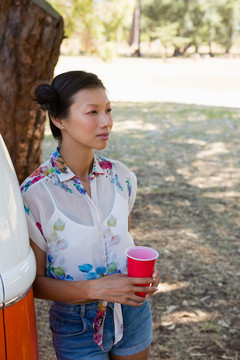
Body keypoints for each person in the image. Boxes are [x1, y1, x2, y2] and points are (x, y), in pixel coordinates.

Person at [21, 70, 160, 360]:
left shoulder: (121, 177)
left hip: (133, 312)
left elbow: (123, 245)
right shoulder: (35, 193)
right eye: (92, 112)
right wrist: (95, 288)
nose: (106, 122)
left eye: (108, 110)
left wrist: (144, 278)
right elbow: (35, 283)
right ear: (59, 120)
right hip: (76, 325)